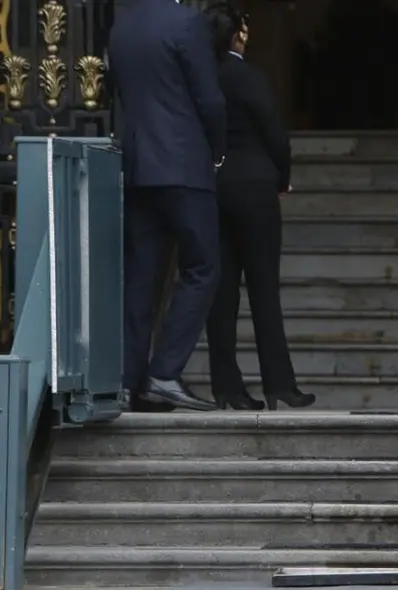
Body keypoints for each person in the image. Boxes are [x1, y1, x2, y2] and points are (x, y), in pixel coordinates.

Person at [108, 0, 227, 412]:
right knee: (203, 267)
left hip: (138, 165)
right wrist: (218, 151)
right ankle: (163, 373)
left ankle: (126, 381)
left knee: (141, 276)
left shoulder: (122, 26)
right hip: (183, 163)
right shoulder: (187, 22)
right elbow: (210, 99)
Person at [201, 3, 315, 411]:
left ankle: (227, 387)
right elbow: (274, 133)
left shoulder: (200, 76)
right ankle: (279, 383)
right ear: (239, 35)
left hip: (212, 187)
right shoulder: (248, 76)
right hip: (253, 187)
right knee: (264, 288)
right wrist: (283, 177)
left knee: (222, 293)